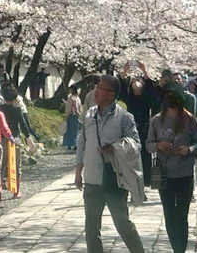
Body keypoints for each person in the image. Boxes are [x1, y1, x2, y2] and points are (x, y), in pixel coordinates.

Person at [75, 75, 146, 253]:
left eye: (101, 88)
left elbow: (136, 144)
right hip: (92, 178)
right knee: (91, 227)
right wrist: (78, 170)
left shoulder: (124, 117)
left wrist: (114, 148)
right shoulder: (89, 115)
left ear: (111, 95)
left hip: (114, 178)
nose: (96, 91)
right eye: (96, 87)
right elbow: (82, 143)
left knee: (122, 223)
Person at [145, 88, 197, 253]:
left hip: (184, 172)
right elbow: (148, 145)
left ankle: (181, 249)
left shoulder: (190, 120)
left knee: (181, 214)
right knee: (169, 213)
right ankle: (176, 248)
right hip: (162, 171)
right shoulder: (156, 121)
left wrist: (189, 149)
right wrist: (158, 145)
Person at [119, 61, 160, 186]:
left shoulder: (147, 98)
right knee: (131, 157)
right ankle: (133, 183)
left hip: (144, 128)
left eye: (139, 81)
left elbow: (153, 91)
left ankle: (145, 182)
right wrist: (124, 72)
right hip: (130, 129)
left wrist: (144, 71)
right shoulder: (129, 97)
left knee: (145, 156)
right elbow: (121, 90)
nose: (137, 83)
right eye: (134, 81)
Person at [0, 86, 35, 198]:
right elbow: (23, 125)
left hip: (2, 139)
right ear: (15, 98)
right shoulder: (17, 109)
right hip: (15, 139)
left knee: (1, 166)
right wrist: (29, 138)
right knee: (15, 165)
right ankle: (16, 191)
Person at [63, 85, 83, 151]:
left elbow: (68, 108)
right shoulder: (78, 98)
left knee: (69, 131)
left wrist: (66, 116)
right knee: (76, 131)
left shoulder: (71, 98)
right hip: (77, 116)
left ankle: (69, 144)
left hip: (71, 115)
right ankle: (76, 144)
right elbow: (80, 108)